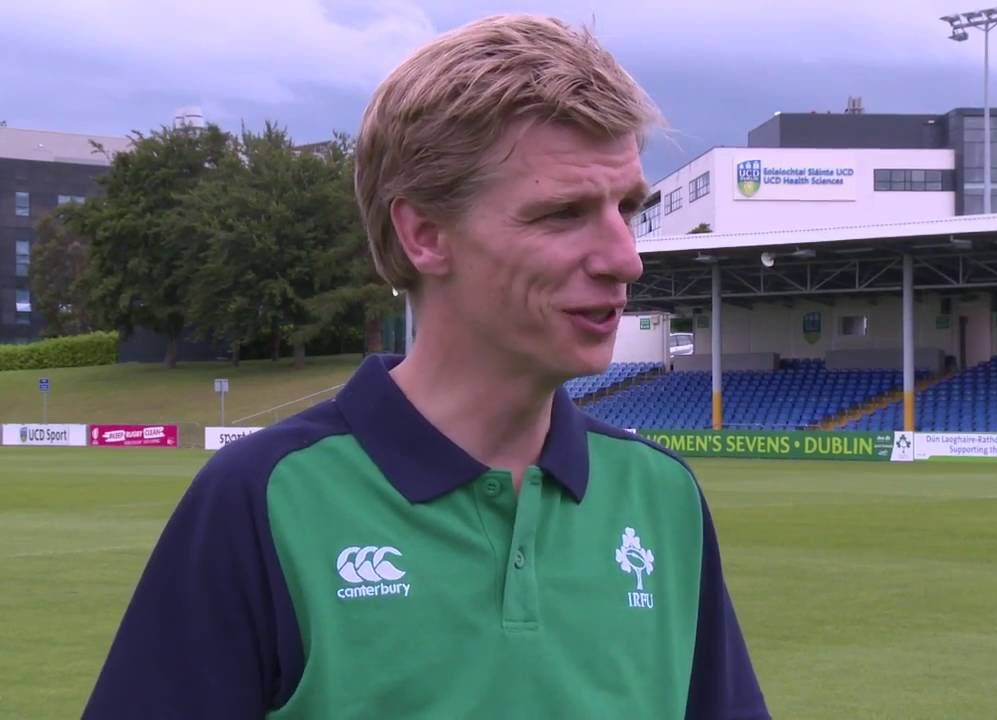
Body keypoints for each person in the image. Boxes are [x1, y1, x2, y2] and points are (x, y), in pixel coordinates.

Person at [84, 13, 770, 720]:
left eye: (627, 208)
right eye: (564, 213)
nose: (625, 257)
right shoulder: (264, 502)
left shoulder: (663, 498)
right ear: (425, 235)